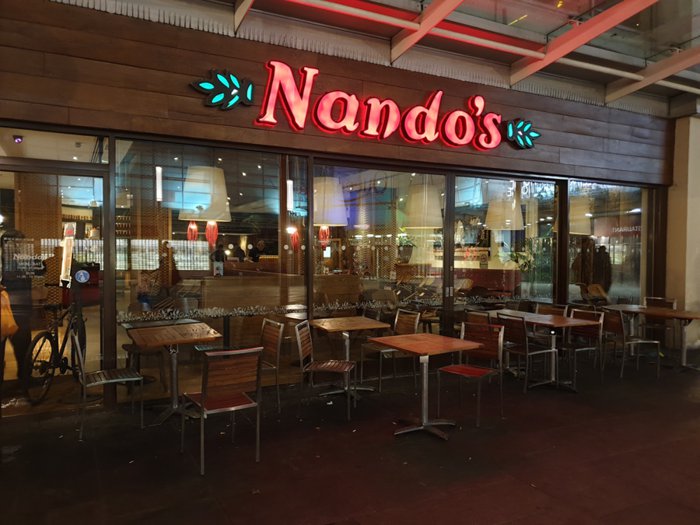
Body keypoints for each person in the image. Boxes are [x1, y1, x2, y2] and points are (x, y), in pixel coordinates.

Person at [0, 229, 33, 383]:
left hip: (21, 310)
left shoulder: (23, 260)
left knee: (24, 347)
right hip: (6, 310)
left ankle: (25, 378)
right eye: (16, 243)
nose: (19, 246)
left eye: (21, 243)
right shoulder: (4, 262)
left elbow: (40, 270)